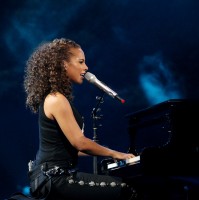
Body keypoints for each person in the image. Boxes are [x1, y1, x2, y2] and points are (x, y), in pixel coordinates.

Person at [22, 38, 138, 200]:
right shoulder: (56, 99)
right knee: (128, 189)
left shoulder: (57, 98)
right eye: (81, 62)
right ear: (64, 64)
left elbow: (74, 149)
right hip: (54, 178)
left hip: (50, 177)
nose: (86, 67)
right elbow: (80, 142)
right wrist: (114, 153)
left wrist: (106, 153)